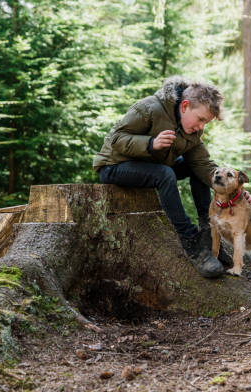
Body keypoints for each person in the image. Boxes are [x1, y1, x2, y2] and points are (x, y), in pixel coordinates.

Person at [93, 76, 242, 278]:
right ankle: (191, 243)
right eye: (200, 119)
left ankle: (208, 233)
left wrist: (235, 190)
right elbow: (116, 139)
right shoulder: (150, 108)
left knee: (194, 168)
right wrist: (151, 143)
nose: (201, 127)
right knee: (165, 174)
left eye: (205, 123)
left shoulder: (191, 131)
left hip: (152, 168)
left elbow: (204, 167)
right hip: (114, 166)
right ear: (185, 106)